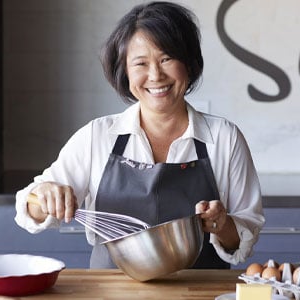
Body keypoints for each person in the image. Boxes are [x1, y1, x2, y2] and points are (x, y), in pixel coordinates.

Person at [15, 1, 264, 269]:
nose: (155, 75)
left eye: (166, 59)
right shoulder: (97, 137)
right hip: (111, 293)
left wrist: (222, 224)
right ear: (125, 72)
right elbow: (27, 208)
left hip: (197, 291)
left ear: (189, 64)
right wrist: (45, 194)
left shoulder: (225, 139)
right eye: (141, 63)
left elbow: (242, 238)